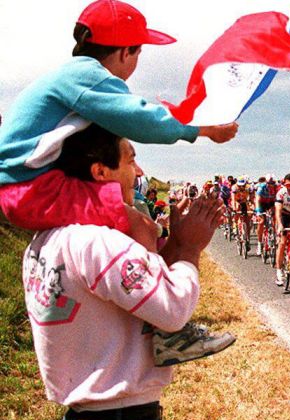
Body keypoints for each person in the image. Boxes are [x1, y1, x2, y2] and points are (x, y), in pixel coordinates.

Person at [26, 124, 225, 420]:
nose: (139, 171)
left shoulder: (48, 238)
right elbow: (172, 311)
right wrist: (188, 249)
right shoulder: (98, 242)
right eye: (130, 160)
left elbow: (137, 299)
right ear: (101, 171)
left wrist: (172, 244)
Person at [0, 0, 237, 249]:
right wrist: (203, 130)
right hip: (30, 190)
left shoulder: (72, 75)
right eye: (138, 53)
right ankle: (161, 283)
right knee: (142, 225)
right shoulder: (88, 77)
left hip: (25, 185)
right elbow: (141, 120)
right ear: (126, 52)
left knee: (131, 208)